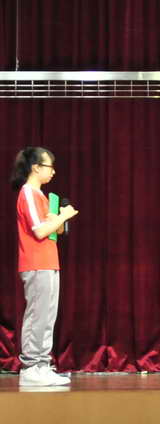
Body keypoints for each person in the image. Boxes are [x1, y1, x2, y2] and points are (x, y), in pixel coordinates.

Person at [11, 147, 79, 386]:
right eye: (49, 166)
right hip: (36, 263)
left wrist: (58, 219)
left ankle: (42, 365)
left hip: (49, 262)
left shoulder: (42, 196)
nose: (53, 171)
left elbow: (53, 231)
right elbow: (39, 231)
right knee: (37, 315)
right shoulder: (28, 193)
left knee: (47, 316)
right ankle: (31, 368)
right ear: (36, 168)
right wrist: (64, 216)